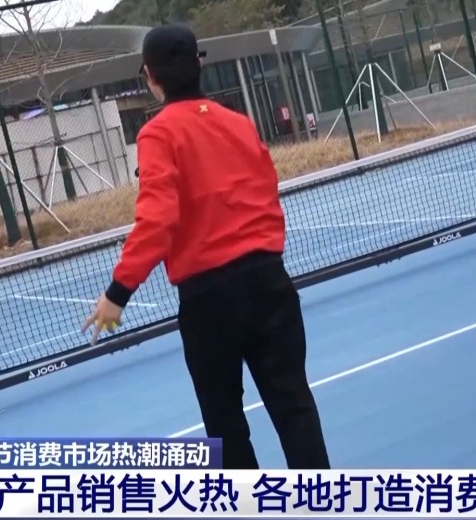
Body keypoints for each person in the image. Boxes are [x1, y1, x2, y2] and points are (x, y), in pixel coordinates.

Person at [81, 24, 331, 470]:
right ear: (199, 64)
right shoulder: (239, 123)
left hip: (210, 301)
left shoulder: (157, 135)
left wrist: (117, 294)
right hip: (270, 282)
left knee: (225, 425)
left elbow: (157, 221)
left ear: (149, 76)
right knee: (294, 405)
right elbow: (267, 192)